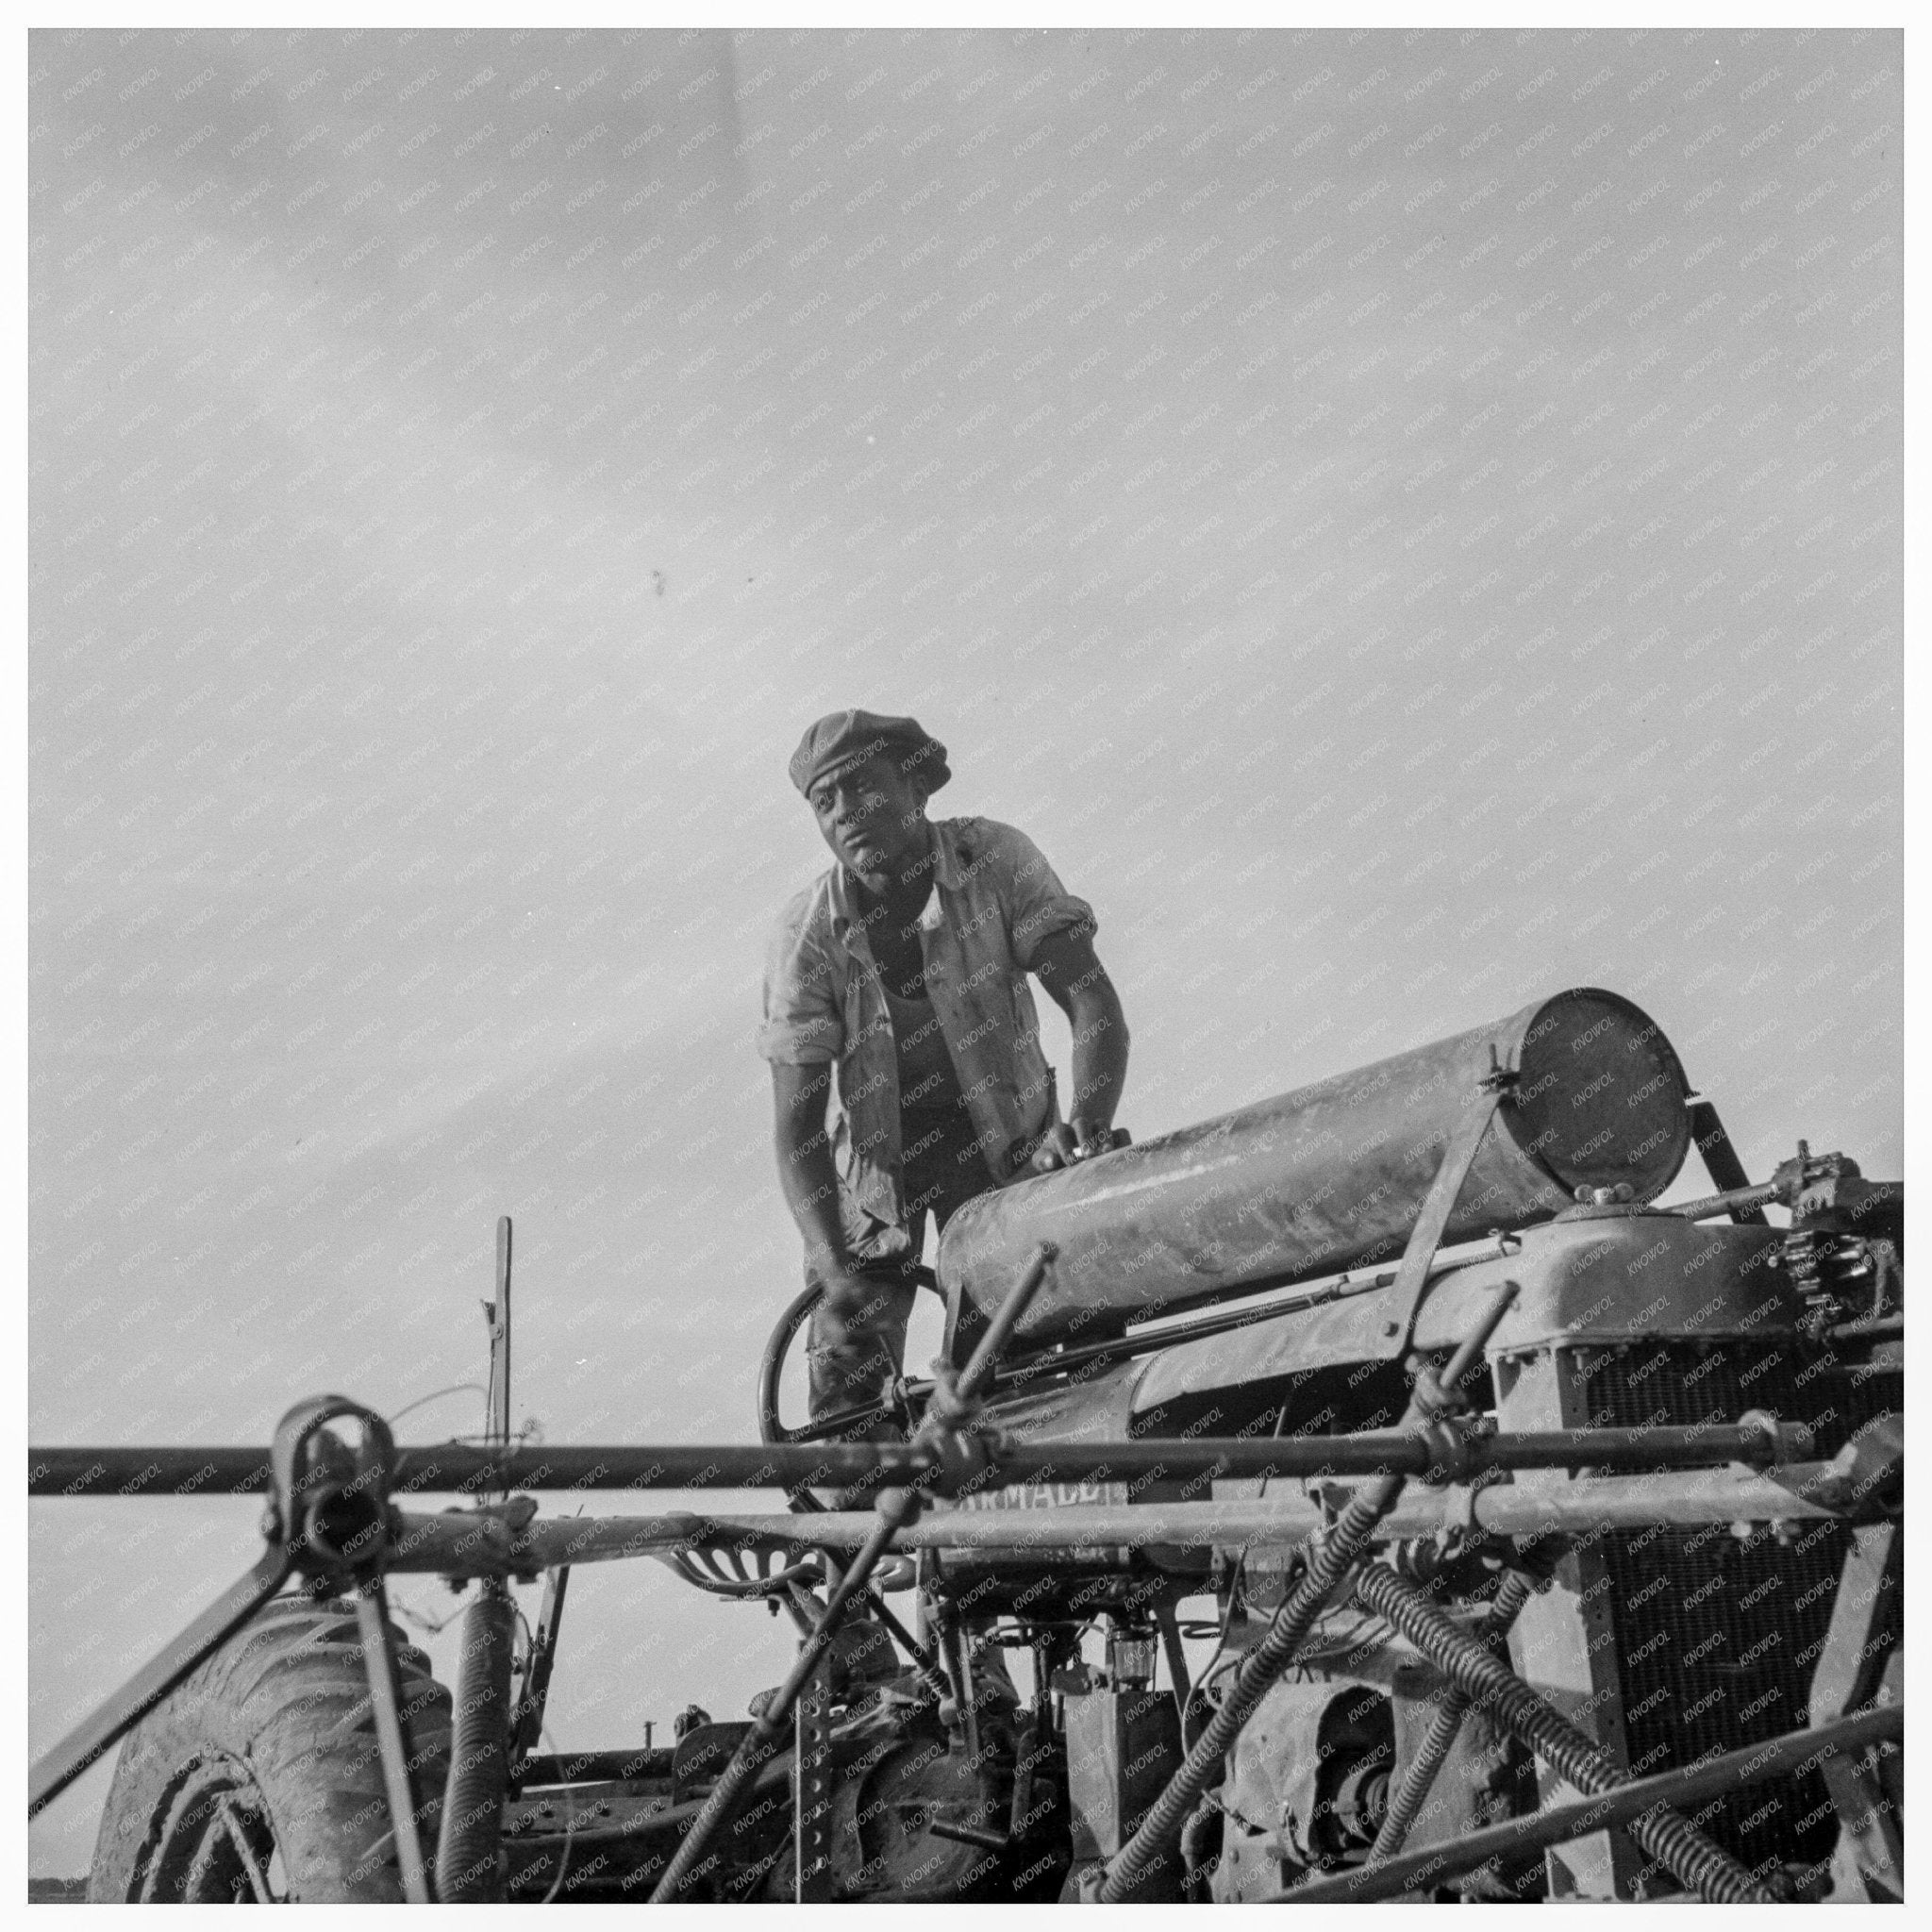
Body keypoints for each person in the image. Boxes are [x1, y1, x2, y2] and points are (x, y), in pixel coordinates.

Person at [758, 708, 1130, 1429]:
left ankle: (1035, 1510)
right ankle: (854, 1527)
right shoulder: (806, 935)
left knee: (1028, 1346)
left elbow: (1092, 1003)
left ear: (915, 786)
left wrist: (1084, 1129)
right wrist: (832, 1263)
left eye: (861, 789)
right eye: (824, 803)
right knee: (849, 1380)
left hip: (1005, 1146)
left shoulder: (996, 860)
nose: (844, 816)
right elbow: (798, 1126)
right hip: (873, 1176)